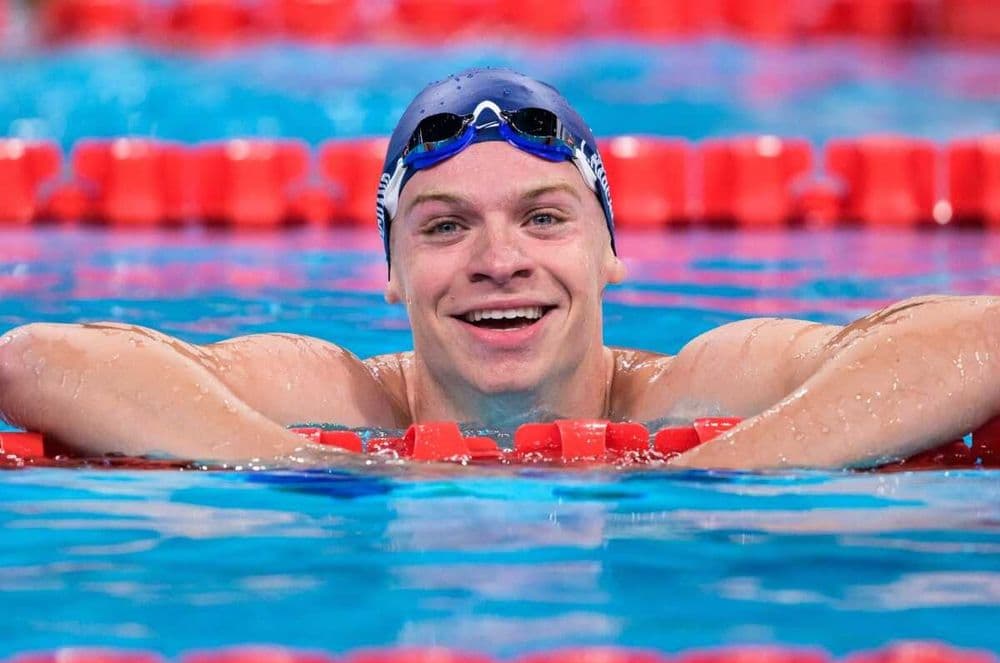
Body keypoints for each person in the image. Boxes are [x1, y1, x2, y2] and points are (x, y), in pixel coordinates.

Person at [0, 69, 997, 469]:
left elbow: (977, 336)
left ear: (609, 254)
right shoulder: (338, 399)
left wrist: (725, 467)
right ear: (389, 275)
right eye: (442, 228)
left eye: (543, 217)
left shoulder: (694, 387)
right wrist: (302, 463)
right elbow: (39, 360)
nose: (497, 262)